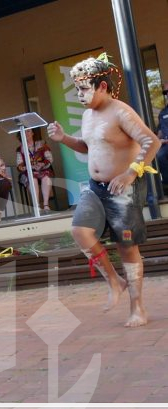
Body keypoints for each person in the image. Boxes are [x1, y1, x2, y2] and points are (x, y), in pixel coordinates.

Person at [47, 55, 160, 327]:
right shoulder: (87, 115)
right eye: (76, 89)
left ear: (102, 87)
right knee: (80, 230)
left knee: (126, 247)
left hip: (124, 187)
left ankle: (138, 308)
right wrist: (64, 139)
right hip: (96, 187)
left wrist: (130, 172)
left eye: (84, 89)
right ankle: (114, 280)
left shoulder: (121, 111)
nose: (79, 95)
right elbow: (89, 146)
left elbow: (151, 141)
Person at [16, 128, 55, 211]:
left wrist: (42, 164)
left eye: (28, 131)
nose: (26, 133)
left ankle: (46, 205)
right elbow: (19, 165)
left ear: (33, 133)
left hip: (42, 170)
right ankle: (36, 206)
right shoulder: (20, 149)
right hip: (27, 172)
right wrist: (29, 167)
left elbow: (50, 158)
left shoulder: (42, 144)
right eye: (23, 132)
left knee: (46, 178)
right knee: (32, 179)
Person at [155, 83, 168, 189]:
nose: (167, 94)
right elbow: (159, 132)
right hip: (165, 144)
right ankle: (165, 185)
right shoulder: (163, 113)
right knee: (156, 155)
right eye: (165, 92)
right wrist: (157, 141)